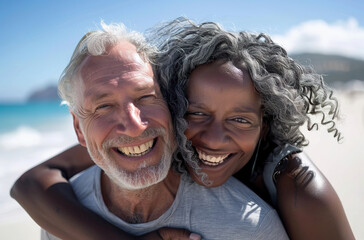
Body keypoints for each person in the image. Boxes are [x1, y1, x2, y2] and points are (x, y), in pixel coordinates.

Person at [11, 18, 354, 240]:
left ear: (265, 125)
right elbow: (31, 184)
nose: (133, 126)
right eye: (197, 114)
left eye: (240, 119)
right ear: (176, 107)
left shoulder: (295, 190)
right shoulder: (141, 143)